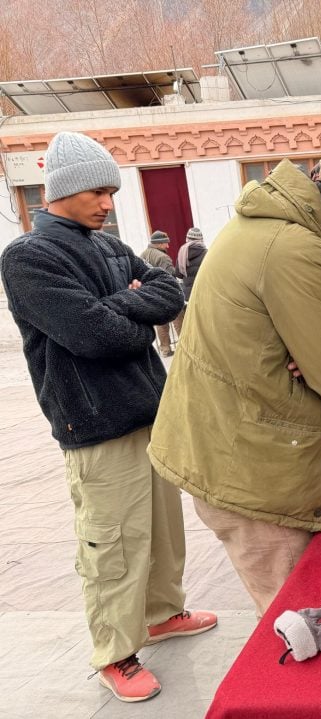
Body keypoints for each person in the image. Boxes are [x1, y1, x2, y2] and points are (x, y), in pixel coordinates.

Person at [148, 148, 321, 616]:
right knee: (302, 626)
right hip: (252, 477)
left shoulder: (271, 228)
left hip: (243, 459)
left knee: (312, 610)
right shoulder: (297, 247)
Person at [0, 131, 216, 703]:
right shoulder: (29, 257)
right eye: (97, 191)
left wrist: (123, 304)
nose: (107, 203)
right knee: (113, 543)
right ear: (63, 190)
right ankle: (115, 652)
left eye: (111, 191)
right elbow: (92, 335)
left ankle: (163, 613)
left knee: (164, 532)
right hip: (92, 423)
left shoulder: (111, 247)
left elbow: (170, 293)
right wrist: (129, 306)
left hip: (149, 409)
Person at [140, 230, 185, 356]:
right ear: (159, 244)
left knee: (161, 322)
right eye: (165, 243)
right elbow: (171, 276)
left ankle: (165, 349)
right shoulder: (162, 257)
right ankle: (184, 348)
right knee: (178, 319)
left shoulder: (142, 255)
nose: (167, 246)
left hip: (151, 294)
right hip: (167, 293)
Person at [176, 226, 208, 303]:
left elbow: (178, 275)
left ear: (187, 238)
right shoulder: (206, 253)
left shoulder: (182, 252)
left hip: (187, 294)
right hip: (203, 292)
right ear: (201, 239)